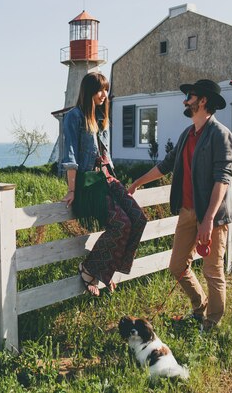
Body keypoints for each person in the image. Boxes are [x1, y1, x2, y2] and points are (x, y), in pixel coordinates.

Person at [128, 79, 232, 331]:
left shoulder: (221, 135)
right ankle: (200, 307)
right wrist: (138, 182)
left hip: (213, 216)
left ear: (203, 101)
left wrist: (208, 219)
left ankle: (212, 323)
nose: (185, 99)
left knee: (212, 271)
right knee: (177, 265)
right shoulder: (187, 134)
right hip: (187, 212)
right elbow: (165, 165)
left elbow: (223, 180)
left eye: (190, 95)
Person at [62, 72, 147, 296]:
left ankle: (106, 270)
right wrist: (72, 190)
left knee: (138, 219)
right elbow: (70, 156)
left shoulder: (102, 118)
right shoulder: (75, 117)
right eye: (100, 90)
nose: (104, 94)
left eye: (106, 90)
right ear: (88, 91)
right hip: (89, 183)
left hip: (108, 178)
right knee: (121, 224)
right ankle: (90, 269)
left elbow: (106, 155)